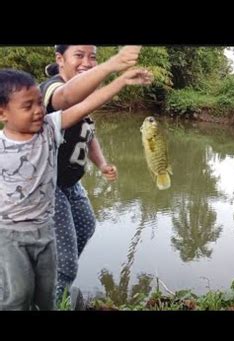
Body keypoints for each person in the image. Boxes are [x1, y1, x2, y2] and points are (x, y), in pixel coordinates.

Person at [0, 66, 152, 310]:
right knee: (18, 296)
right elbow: (68, 99)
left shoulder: (48, 128)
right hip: (12, 233)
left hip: (45, 228)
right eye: (28, 106)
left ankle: (58, 291)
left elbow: (86, 112)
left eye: (39, 104)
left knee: (47, 291)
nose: (39, 110)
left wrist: (121, 79)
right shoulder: (55, 88)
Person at [39, 45, 141, 302]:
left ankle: (51, 284)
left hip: (71, 183)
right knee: (66, 264)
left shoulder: (84, 94)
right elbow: (65, 99)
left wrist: (102, 164)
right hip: (47, 185)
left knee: (85, 227)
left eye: (93, 56)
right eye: (79, 55)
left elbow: (88, 132)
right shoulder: (51, 88)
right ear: (60, 59)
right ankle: (52, 299)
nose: (87, 62)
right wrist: (111, 66)